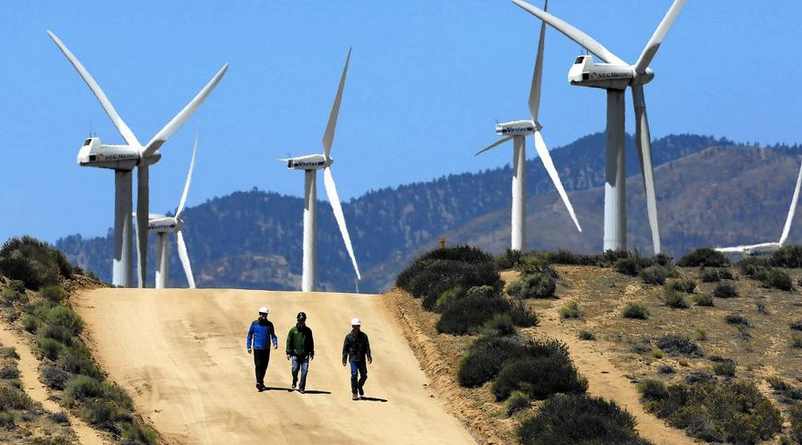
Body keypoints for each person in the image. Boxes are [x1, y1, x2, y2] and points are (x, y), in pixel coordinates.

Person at [246, 306, 278, 391]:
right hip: (257, 348)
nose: (264, 316)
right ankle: (258, 382)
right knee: (258, 365)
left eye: (265, 314)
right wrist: (248, 346)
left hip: (266, 348)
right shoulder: (254, 324)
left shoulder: (269, 324)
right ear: (259, 314)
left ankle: (261, 381)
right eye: (262, 314)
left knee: (264, 366)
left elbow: (273, 335)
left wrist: (275, 343)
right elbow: (249, 335)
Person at [342, 317, 372, 400]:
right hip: (353, 359)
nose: (356, 327)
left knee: (364, 375)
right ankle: (354, 392)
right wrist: (344, 359)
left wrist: (369, 356)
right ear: (352, 326)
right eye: (355, 326)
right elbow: (345, 349)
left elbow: (367, 347)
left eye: (358, 325)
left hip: (361, 359)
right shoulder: (348, 337)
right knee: (354, 374)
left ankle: (359, 385)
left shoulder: (364, 336)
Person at [286, 311, 314, 394]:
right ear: (297, 320)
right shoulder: (293, 330)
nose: (301, 322)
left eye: (303, 320)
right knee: (294, 369)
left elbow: (311, 341)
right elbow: (289, 341)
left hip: (305, 354)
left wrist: (312, 351)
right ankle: (295, 379)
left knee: (304, 371)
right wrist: (288, 352)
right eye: (300, 320)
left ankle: (302, 387)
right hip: (295, 354)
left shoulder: (308, 331)